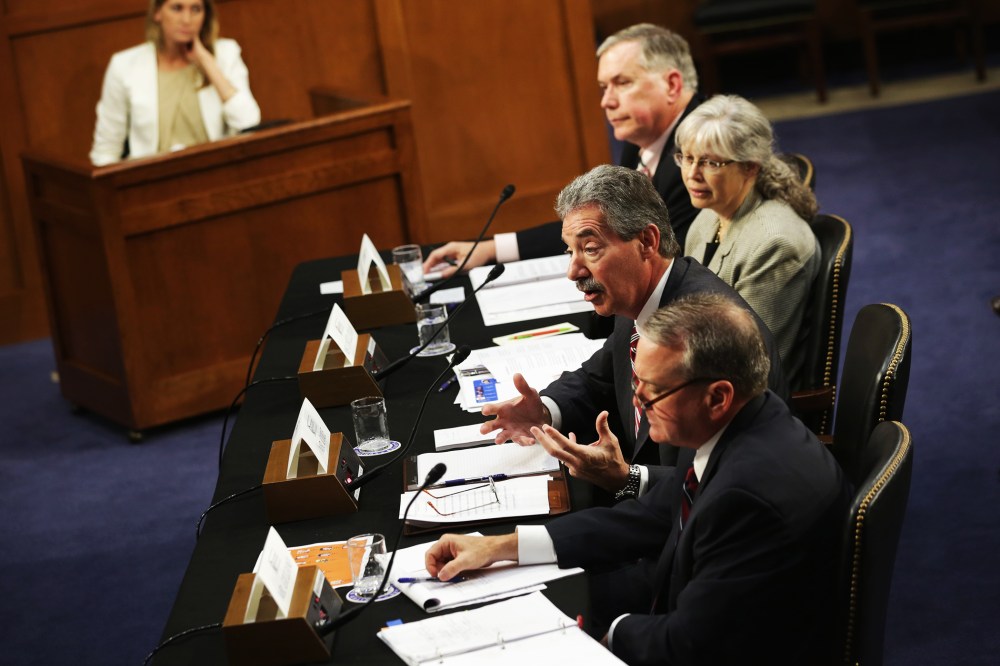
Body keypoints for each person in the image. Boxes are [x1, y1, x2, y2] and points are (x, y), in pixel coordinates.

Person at [426, 294, 849, 665]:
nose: (638, 401)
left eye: (653, 390)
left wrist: (606, 636)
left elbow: (689, 646)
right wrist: (503, 547)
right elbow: (656, 512)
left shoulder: (747, 496)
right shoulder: (744, 419)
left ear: (717, 396)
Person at [482, 164, 786, 499]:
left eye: (591, 248)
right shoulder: (640, 297)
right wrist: (544, 410)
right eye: (571, 250)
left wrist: (627, 478)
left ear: (646, 241)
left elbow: (717, 487)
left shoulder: (705, 339)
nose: (573, 270)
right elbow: (600, 378)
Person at [422, 23, 702, 277]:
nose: (607, 101)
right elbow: (598, 225)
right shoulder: (641, 139)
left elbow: (665, 267)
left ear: (672, 85)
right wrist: (490, 248)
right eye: (604, 87)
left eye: (622, 83)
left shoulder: (696, 156)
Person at [677, 95, 820, 384]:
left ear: (750, 167)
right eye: (687, 158)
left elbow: (749, 364)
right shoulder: (709, 215)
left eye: (710, 162)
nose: (692, 174)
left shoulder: (774, 244)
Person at [89, 0, 261, 166]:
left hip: (214, 173)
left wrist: (207, 62)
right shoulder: (124, 65)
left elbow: (248, 124)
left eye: (195, 9)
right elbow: (106, 151)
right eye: (177, 8)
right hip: (150, 182)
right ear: (157, 12)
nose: (187, 20)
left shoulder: (225, 54)